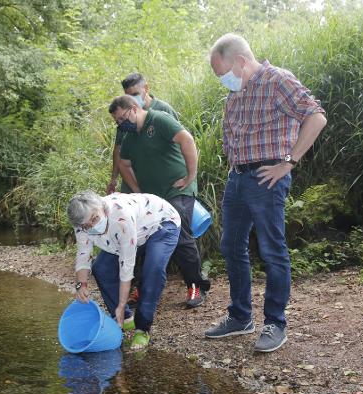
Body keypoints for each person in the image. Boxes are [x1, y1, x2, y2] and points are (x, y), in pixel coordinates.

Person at [204, 33, 327, 352]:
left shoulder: (277, 80)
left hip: (268, 175)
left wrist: (289, 161)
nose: (223, 81)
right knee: (230, 245)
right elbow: (231, 138)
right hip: (238, 177)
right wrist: (233, 167)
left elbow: (316, 116)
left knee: (272, 249)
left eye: (223, 74)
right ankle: (240, 317)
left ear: (241, 62)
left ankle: (275, 323)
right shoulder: (235, 96)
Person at [108, 95, 211, 308]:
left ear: (134, 108)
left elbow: (187, 140)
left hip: (178, 189)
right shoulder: (128, 137)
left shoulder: (159, 119)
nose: (120, 124)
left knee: (180, 235)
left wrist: (191, 176)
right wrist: (138, 192)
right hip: (152, 200)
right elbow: (124, 164)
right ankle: (142, 288)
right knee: (141, 238)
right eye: (117, 122)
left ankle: (196, 286)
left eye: (122, 118)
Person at [69, 191, 180, 350]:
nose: (92, 226)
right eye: (87, 225)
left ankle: (142, 328)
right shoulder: (81, 224)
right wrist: (81, 285)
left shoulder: (120, 216)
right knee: (101, 269)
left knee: (152, 272)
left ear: (103, 209)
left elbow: (126, 267)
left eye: (95, 219)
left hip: (160, 223)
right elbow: (83, 254)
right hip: (125, 235)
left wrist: (122, 303)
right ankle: (126, 318)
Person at [106, 73, 179, 195]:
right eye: (128, 96)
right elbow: (118, 148)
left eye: (135, 94)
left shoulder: (163, 110)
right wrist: (114, 179)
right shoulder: (124, 117)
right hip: (132, 180)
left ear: (146, 88)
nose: (132, 99)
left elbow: (181, 141)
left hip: (161, 180)